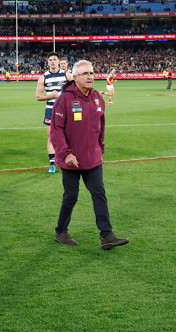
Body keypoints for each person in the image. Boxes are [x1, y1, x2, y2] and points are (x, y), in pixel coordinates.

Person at [50, 60, 129, 250]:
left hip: (92, 158)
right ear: (75, 77)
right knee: (71, 197)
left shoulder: (97, 98)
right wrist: (66, 154)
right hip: (71, 160)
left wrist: (100, 147)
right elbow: (56, 130)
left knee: (99, 194)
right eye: (85, 74)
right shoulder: (65, 98)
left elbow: (100, 126)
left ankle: (107, 235)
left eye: (92, 73)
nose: (90, 77)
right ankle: (61, 232)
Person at [36, 52, 73, 174]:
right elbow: (38, 96)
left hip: (65, 110)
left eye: (54, 59)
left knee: (68, 136)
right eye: (50, 59)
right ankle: (52, 164)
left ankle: (67, 159)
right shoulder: (44, 77)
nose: (52, 61)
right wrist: (52, 95)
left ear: (58, 62)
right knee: (51, 137)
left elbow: (77, 90)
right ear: (48, 62)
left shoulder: (67, 75)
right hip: (50, 110)